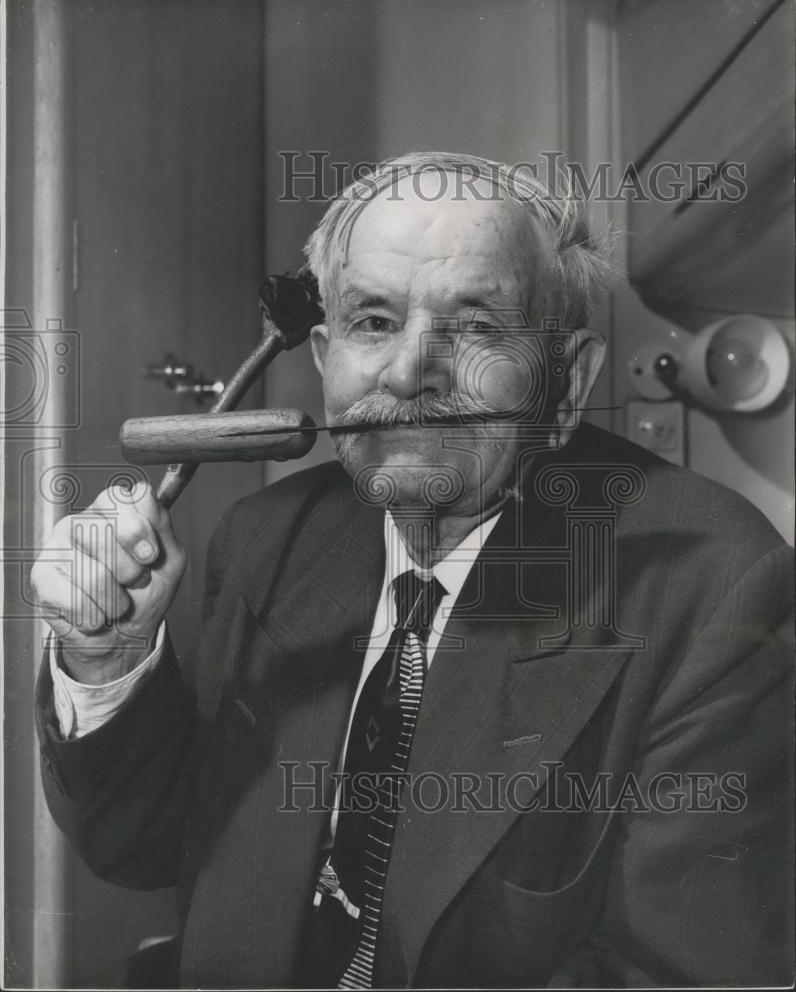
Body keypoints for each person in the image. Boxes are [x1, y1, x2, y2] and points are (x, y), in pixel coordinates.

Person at [31, 152, 793, 988]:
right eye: (372, 322)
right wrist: (108, 658)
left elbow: (689, 971)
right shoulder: (267, 540)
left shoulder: (714, 578)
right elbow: (146, 847)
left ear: (568, 382)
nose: (406, 373)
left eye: (474, 326)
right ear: (324, 359)